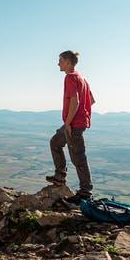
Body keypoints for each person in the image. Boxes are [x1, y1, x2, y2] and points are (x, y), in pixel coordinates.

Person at [46, 51, 95, 203]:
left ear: (67, 61)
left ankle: (85, 192)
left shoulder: (71, 77)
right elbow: (91, 100)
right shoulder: (82, 78)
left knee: (78, 158)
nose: (58, 63)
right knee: (55, 142)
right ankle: (60, 176)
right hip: (75, 122)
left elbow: (75, 101)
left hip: (73, 124)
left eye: (60, 60)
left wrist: (68, 123)